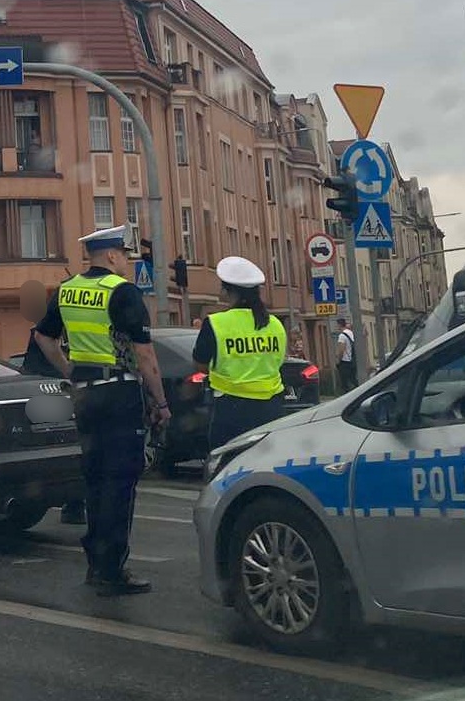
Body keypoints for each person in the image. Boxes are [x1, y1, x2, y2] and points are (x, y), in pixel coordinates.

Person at [33, 225, 170, 596]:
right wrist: (160, 402)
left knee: (94, 480)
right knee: (121, 482)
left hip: (85, 397)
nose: (126, 261)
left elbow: (43, 336)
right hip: (119, 395)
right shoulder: (122, 292)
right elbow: (145, 355)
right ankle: (112, 567)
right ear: (111, 255)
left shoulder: (67, 290)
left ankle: (96, 561)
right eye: (124, 255)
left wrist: (69, 370)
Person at [192, 256, 287, 451]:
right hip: (272, 409)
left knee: (227, 469)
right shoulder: (275, 323)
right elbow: (279, 361)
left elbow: (200, 365)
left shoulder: (216, 323)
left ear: (228, 292)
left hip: (231, 410)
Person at [19, 280, 86, 525]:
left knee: (73, 451)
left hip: (65, 397)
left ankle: (74, 503)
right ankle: (72, 503)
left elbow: (29, 370)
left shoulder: (62, 329)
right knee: (67, 451)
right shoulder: (47, 331)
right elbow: (33, 371)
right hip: (53, 398)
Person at [335, 318, 357, 393]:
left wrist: (338, 360)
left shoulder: (342, 335)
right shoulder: (351, 333)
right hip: (353, 360)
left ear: (339, 325)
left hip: (345, 361)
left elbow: (341, 349)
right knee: (353, 379)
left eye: (337, 325)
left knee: (344, 383)